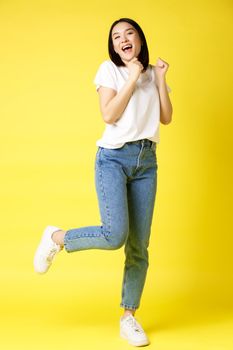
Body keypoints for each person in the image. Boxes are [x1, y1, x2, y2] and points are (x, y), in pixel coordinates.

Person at [34, 17, 173, 347]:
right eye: (116, 37)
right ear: (113, 47)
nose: (123, 39)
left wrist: (160, 78)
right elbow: (109, 115)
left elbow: (166, 117)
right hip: (112, 159)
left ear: (139, 40)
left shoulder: (153, 74)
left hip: (146, 161)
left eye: (129, 34)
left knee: (139, 246)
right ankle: (57, 237)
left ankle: (129, 317)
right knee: (115, 236)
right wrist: (134, 76)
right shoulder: (109, 71)